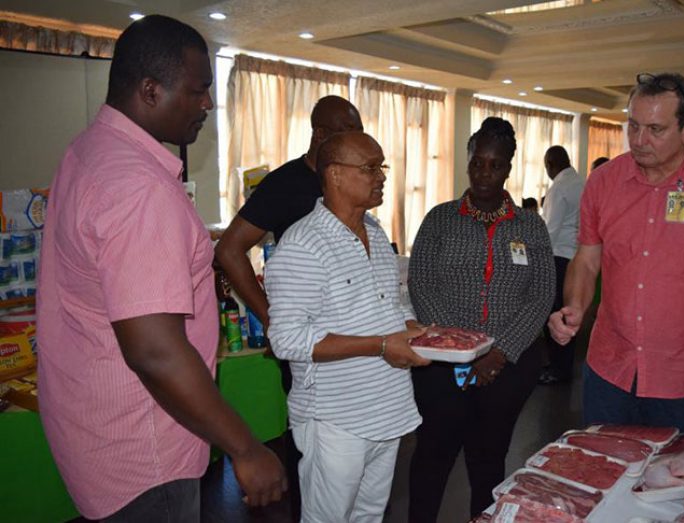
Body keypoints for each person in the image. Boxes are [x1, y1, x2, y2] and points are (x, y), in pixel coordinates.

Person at [36, 15, 285, 521]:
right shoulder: (140, 189)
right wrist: (246, 448)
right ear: (150, 91)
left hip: (95, 432)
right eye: (198, 91)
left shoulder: (88, 151)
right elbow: (153, 350)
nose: (208, 105)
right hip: (143, 452)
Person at [548, 72, 684, 434]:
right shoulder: (604, 182)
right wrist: (574, 307)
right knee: (603, 476)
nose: (639, 141)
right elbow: (587, 260)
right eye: (633, 126)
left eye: (655, 129)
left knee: (673, 483)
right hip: (610, 371)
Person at [265, 131, 429, 523]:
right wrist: (381, 346)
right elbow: (287, 339)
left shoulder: (374, 231)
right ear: (335, 175)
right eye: (370, 168)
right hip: (336, 419)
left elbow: (393, 300)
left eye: (381, 167)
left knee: (370, 515)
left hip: (386, 407)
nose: (381, 177)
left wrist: (412, 327)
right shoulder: (302, 244)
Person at [214, 94, 363, 520]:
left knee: (351, 458)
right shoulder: (285, 184)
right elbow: (229, 251)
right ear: (321, 134)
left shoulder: (348, 181)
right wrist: (270, 316)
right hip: (308, 344)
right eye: (347, 133)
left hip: (351, 340)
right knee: (314, 455)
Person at [408, 117, 555, 520]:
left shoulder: (530, 226)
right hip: (443, 365)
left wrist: (499, 352)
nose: (484, 174)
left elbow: (542, 294)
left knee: (488, 457)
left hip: (509, 366)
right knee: (433, 455)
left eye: (495, 165)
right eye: (477, 163)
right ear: (468, 161)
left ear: (509, 167)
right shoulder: (439, 219)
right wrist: (464, 350)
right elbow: (421, 283)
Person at [538, 145, 585, 386]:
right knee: (569, 315)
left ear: (550, 164)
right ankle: (561, 364)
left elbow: (550, 230)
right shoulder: (581, 182)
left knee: (555, 316)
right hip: (577, 257)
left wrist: (537, 262)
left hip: (557, 258)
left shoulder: (558, 188)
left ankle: (557, 368)